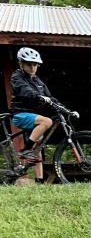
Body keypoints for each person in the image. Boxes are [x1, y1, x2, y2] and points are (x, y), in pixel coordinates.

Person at [9, 46, 57, 183]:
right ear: (21, 64)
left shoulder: (38, 81)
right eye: (29, 64)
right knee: (47, 122)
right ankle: (25, 149)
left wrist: (65, 109)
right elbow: (25, 91)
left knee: (38, 150)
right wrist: (39, 97)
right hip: (20, 114)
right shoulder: (17, 76)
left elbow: (51, 97)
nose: (32, 67)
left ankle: (39, 182)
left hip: (33, 117)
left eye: (35, 64)